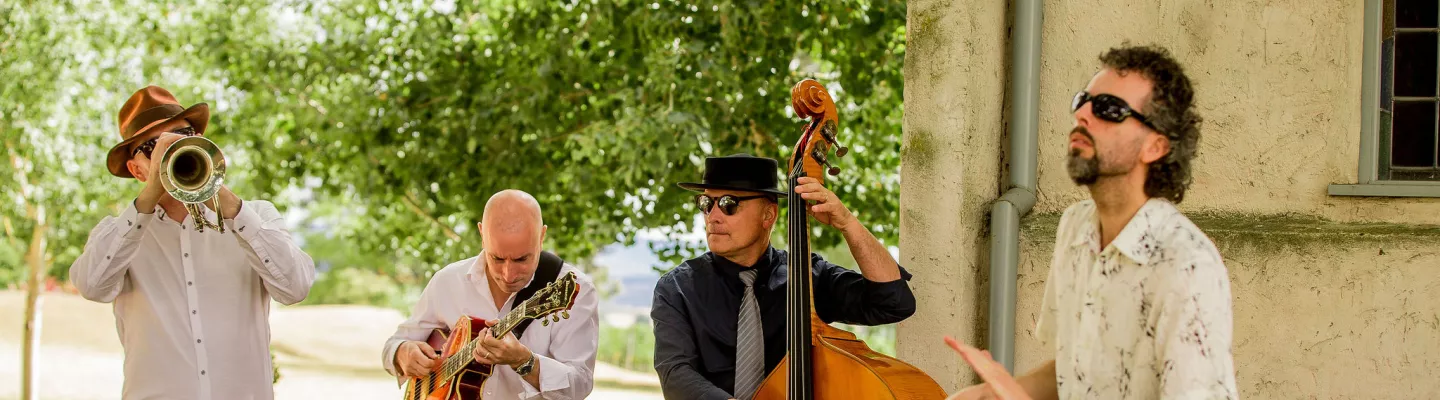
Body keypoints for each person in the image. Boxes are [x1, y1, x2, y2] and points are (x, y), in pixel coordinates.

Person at [949, 45, 1239, 400]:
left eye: (1108, 109)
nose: (1083, 114)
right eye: (1082, 100)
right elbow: (1072, 372)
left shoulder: (1187, 266)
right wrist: (983, 397)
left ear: (1155, 147)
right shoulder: (1075, 227)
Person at [69, 85, 317, 399]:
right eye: (152, 146)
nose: (169, 151)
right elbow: (92, 286)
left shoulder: (257, 216)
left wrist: (229, 204)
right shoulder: (117, 234)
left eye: (183, 136)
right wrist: (149, 195)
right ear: (136, 169)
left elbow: (295, 288)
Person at [651, 154, 919, 400]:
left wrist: (847, 223)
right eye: (707, 203)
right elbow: (676, 373)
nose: (713, 217)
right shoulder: (676, 288)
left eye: (729, 204)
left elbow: (893, 303)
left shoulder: (807, 278)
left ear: (768, 215)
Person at [382, 189, 599, 399]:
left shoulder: (576, 290)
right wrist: (402, 353)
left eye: (521, 259)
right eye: (497, 258)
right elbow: (395, 344)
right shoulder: (448, 281)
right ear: (482, 235)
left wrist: (525, 362)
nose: (508, 274)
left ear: (541, 236)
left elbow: (579, 386)